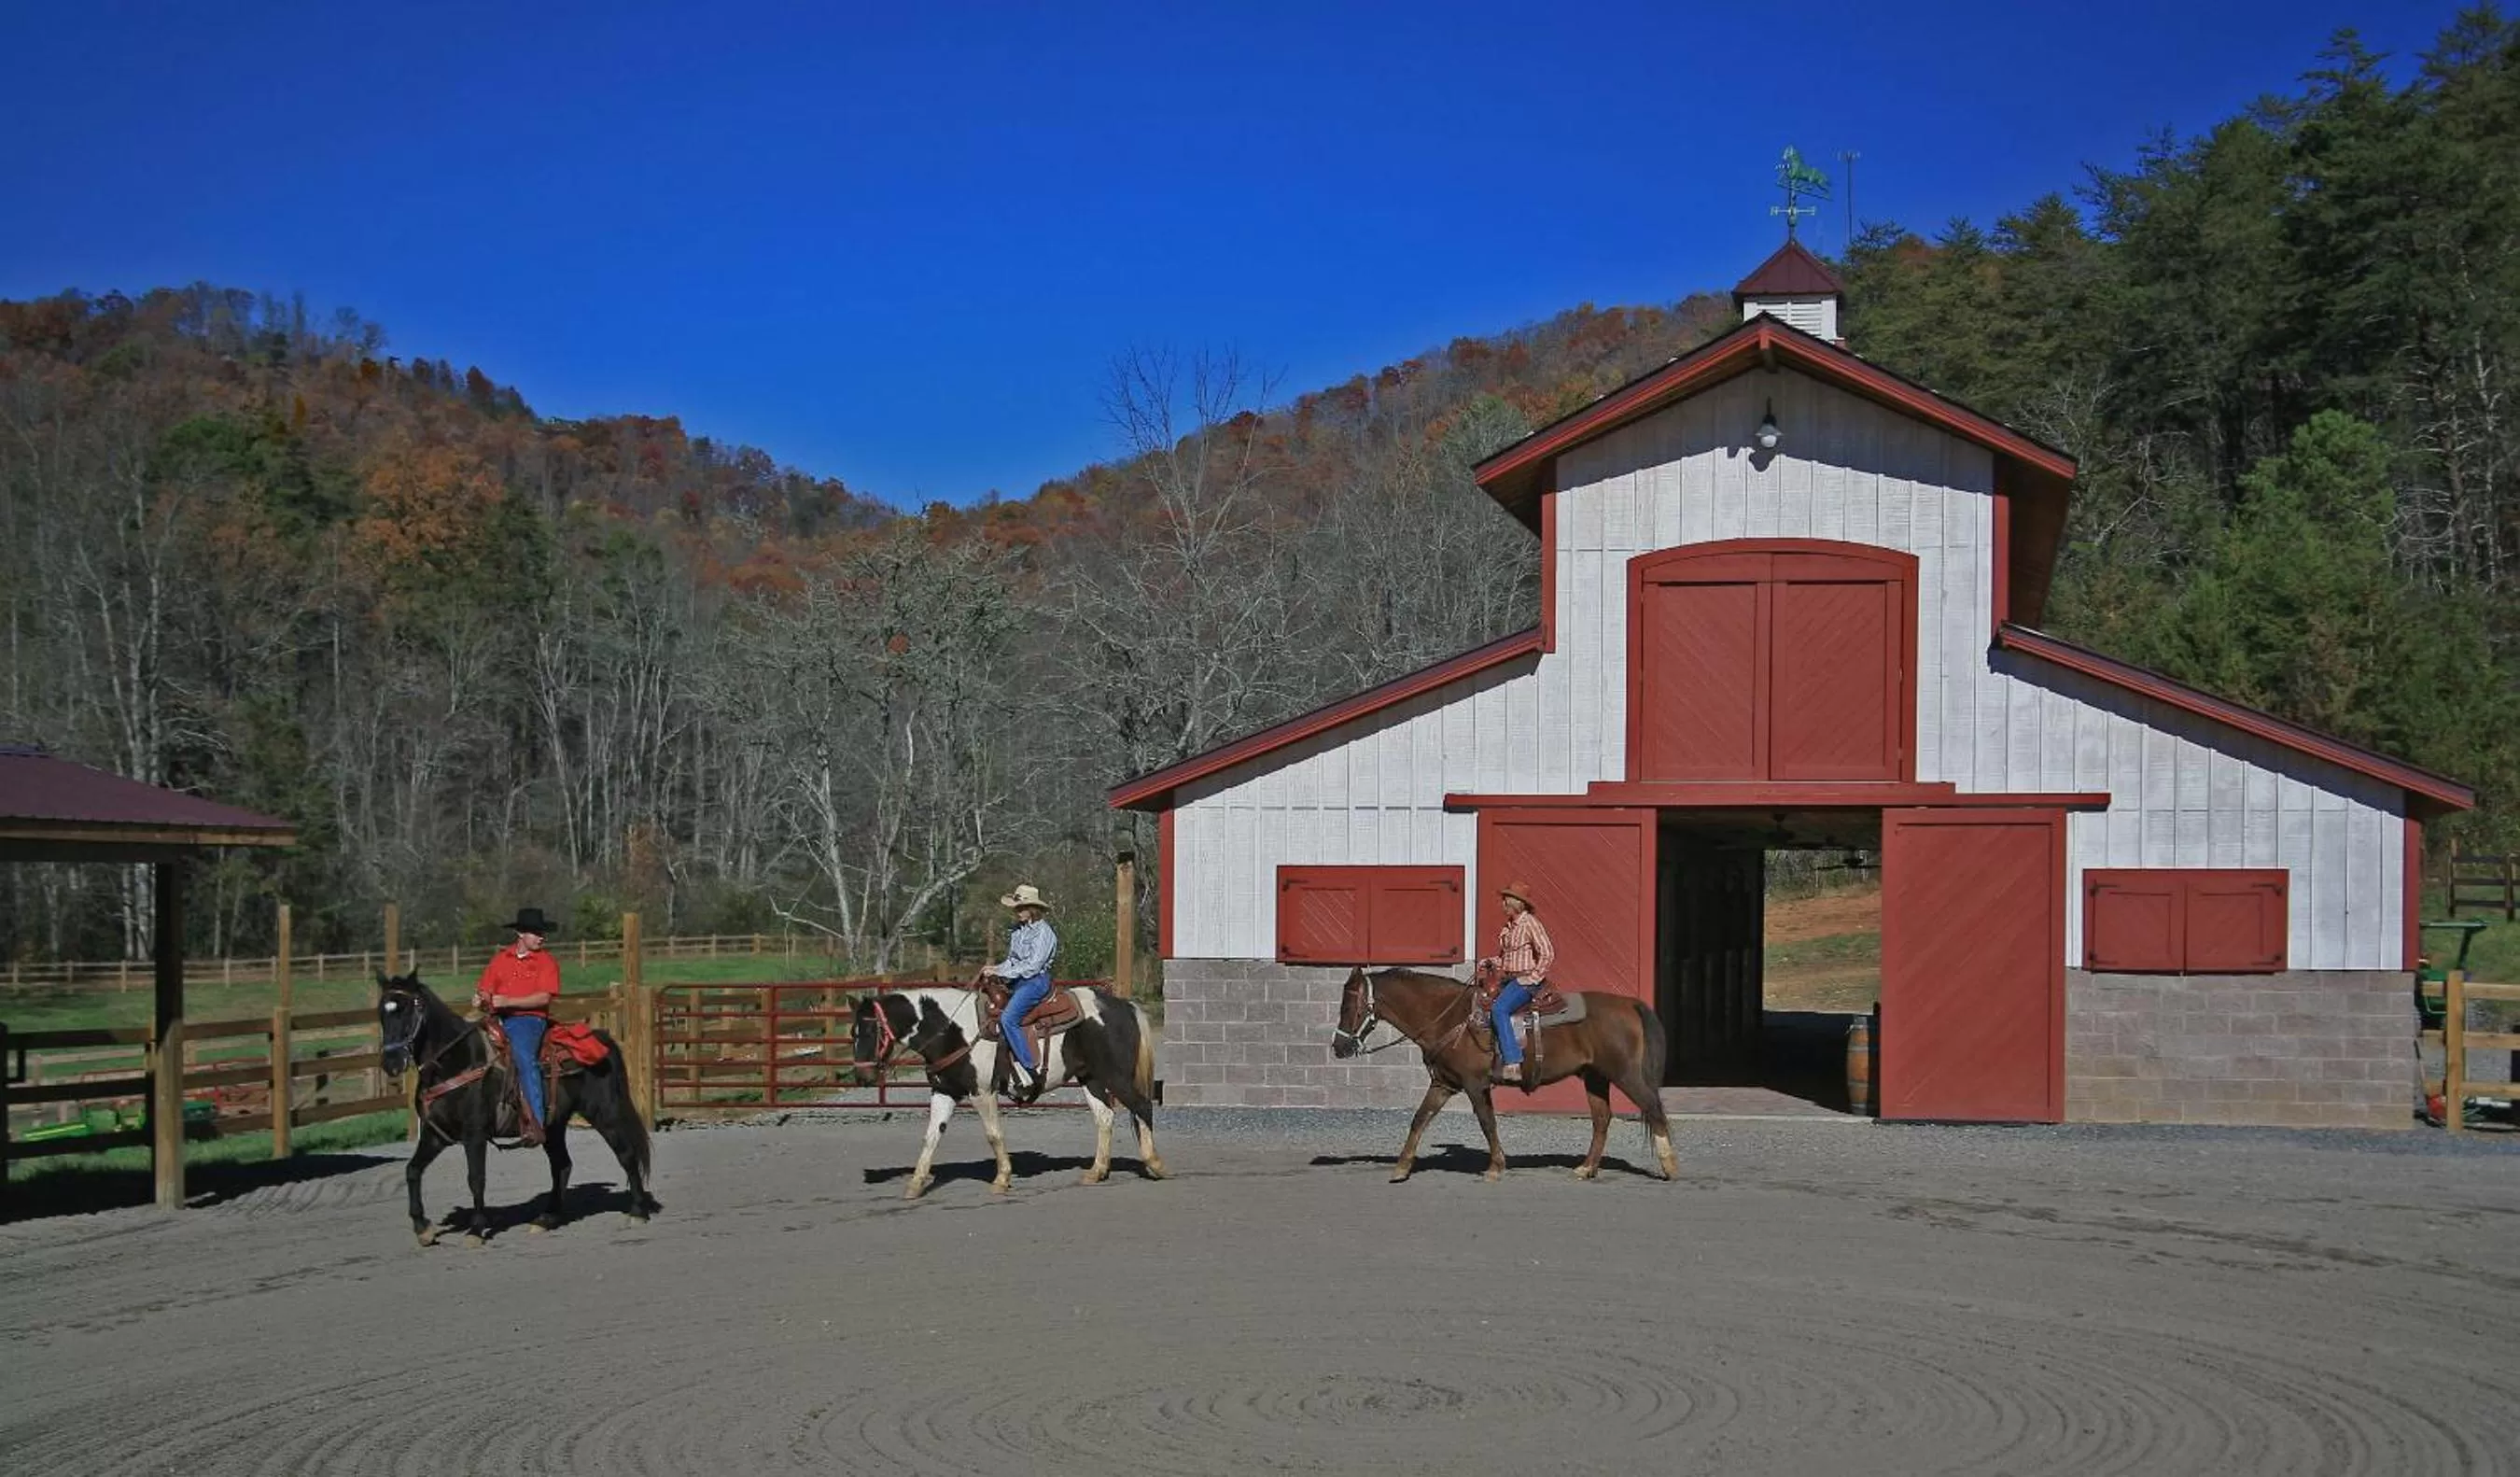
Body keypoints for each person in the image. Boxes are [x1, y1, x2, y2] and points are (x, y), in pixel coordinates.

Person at [473, 907, 562, 1145]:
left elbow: (544, 998)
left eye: (542, 933)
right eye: (536, 932)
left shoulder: (546, 962)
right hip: (497, 1017)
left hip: (528, 1020)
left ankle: (536, 1122)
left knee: (524, 1057)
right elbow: (486, 988)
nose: (542, 937)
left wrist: (509, 1001)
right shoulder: (501, 959)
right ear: (520, 933)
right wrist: (481, 997)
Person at [984, 884, 1058, 1097]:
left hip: (1035, 981)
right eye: (1016, 907)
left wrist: (1002, 971)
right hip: (1018, 980)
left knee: (1008, 1019)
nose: (1017, 911)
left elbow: (1033, 965)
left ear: (1032, 909)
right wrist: (995, 969)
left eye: (1021, 907)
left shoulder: (1044, 933)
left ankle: (1029, 1070)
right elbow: (1012, 960)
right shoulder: (1017, 931)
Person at [1478, 881, 1555, 1084]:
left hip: (1526, 980)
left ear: (1515, 903)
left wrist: (1534, 977)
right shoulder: (1509, 927)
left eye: (1505, 899)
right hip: (1509, 979)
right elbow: (1506, 959)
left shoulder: (1530, 923)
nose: (1502, 903)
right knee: (1480, 1004)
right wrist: (1490, 961)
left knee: (1500, 1010)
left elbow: (1547, 953)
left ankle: (1513, 1062)